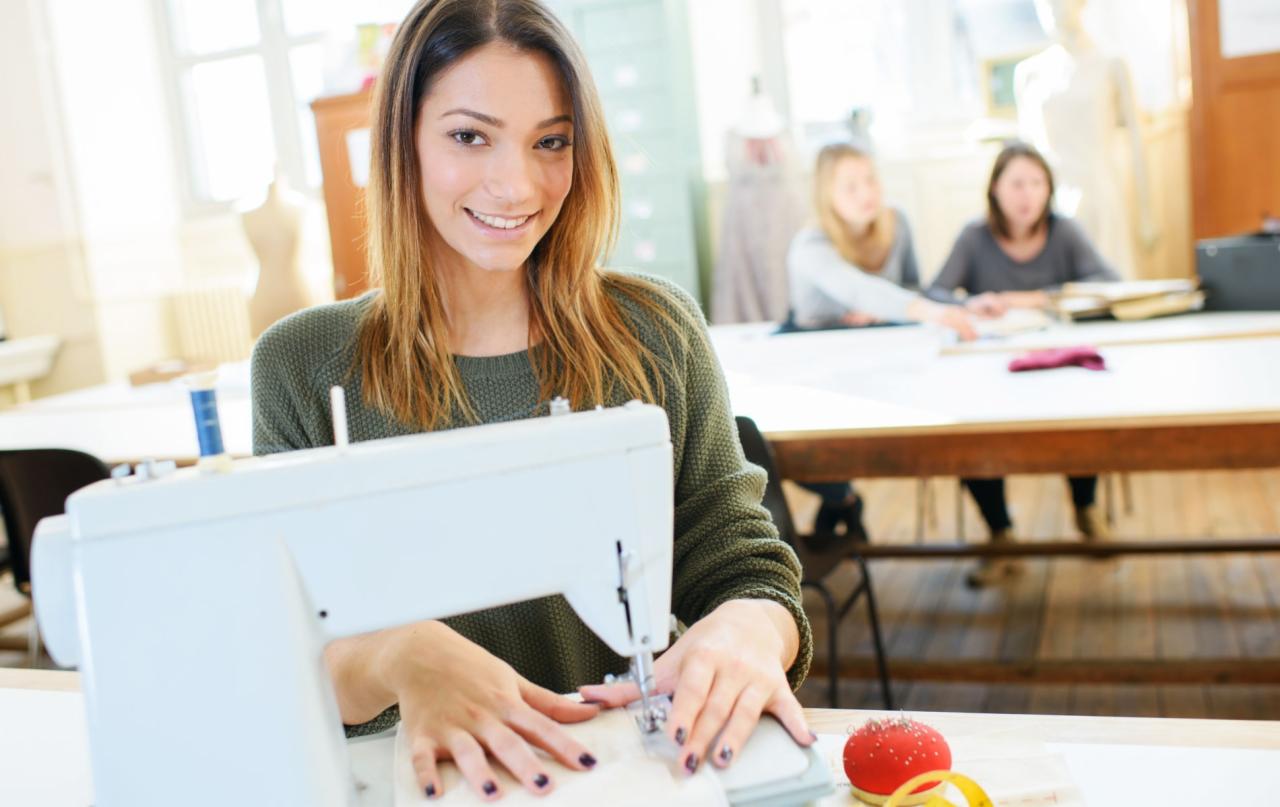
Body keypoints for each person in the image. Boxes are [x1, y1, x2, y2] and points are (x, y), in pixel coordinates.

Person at [250, 0, 814, 801]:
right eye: (468, 136)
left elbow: (741, 563)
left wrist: (751, 625)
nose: (516, 184)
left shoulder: (654, 331)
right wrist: (399, 655)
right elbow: (290, 645)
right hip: (417, 781)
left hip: (628, 770)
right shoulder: (302, 365)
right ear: (402, 142)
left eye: (551, 142)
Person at [928, 140, 1119, 587]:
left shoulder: (1065, 231)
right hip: (990, 371)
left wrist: (1028, 298)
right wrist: (972, 301)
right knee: (970, 428)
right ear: (995, 189)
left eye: (1037, 183)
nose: (1027, 195)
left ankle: (1087, 511)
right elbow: (934, 292)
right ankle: (1001, 534)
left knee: (1080, 417)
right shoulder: (974, 237)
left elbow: (1109, 283)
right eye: (1017, 183)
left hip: (1059, 366)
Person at [785, 142, 982, 539]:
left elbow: (911, 287)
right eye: (850, 186)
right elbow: (857, 291)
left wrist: (964, 304)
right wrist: (924, 310)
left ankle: (839, 511)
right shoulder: (809, 245)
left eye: (870, 180)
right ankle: (842, 500)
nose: (866, 193)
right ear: (827, 194)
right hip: (815, 352)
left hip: (880, 346)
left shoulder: (897, 223)